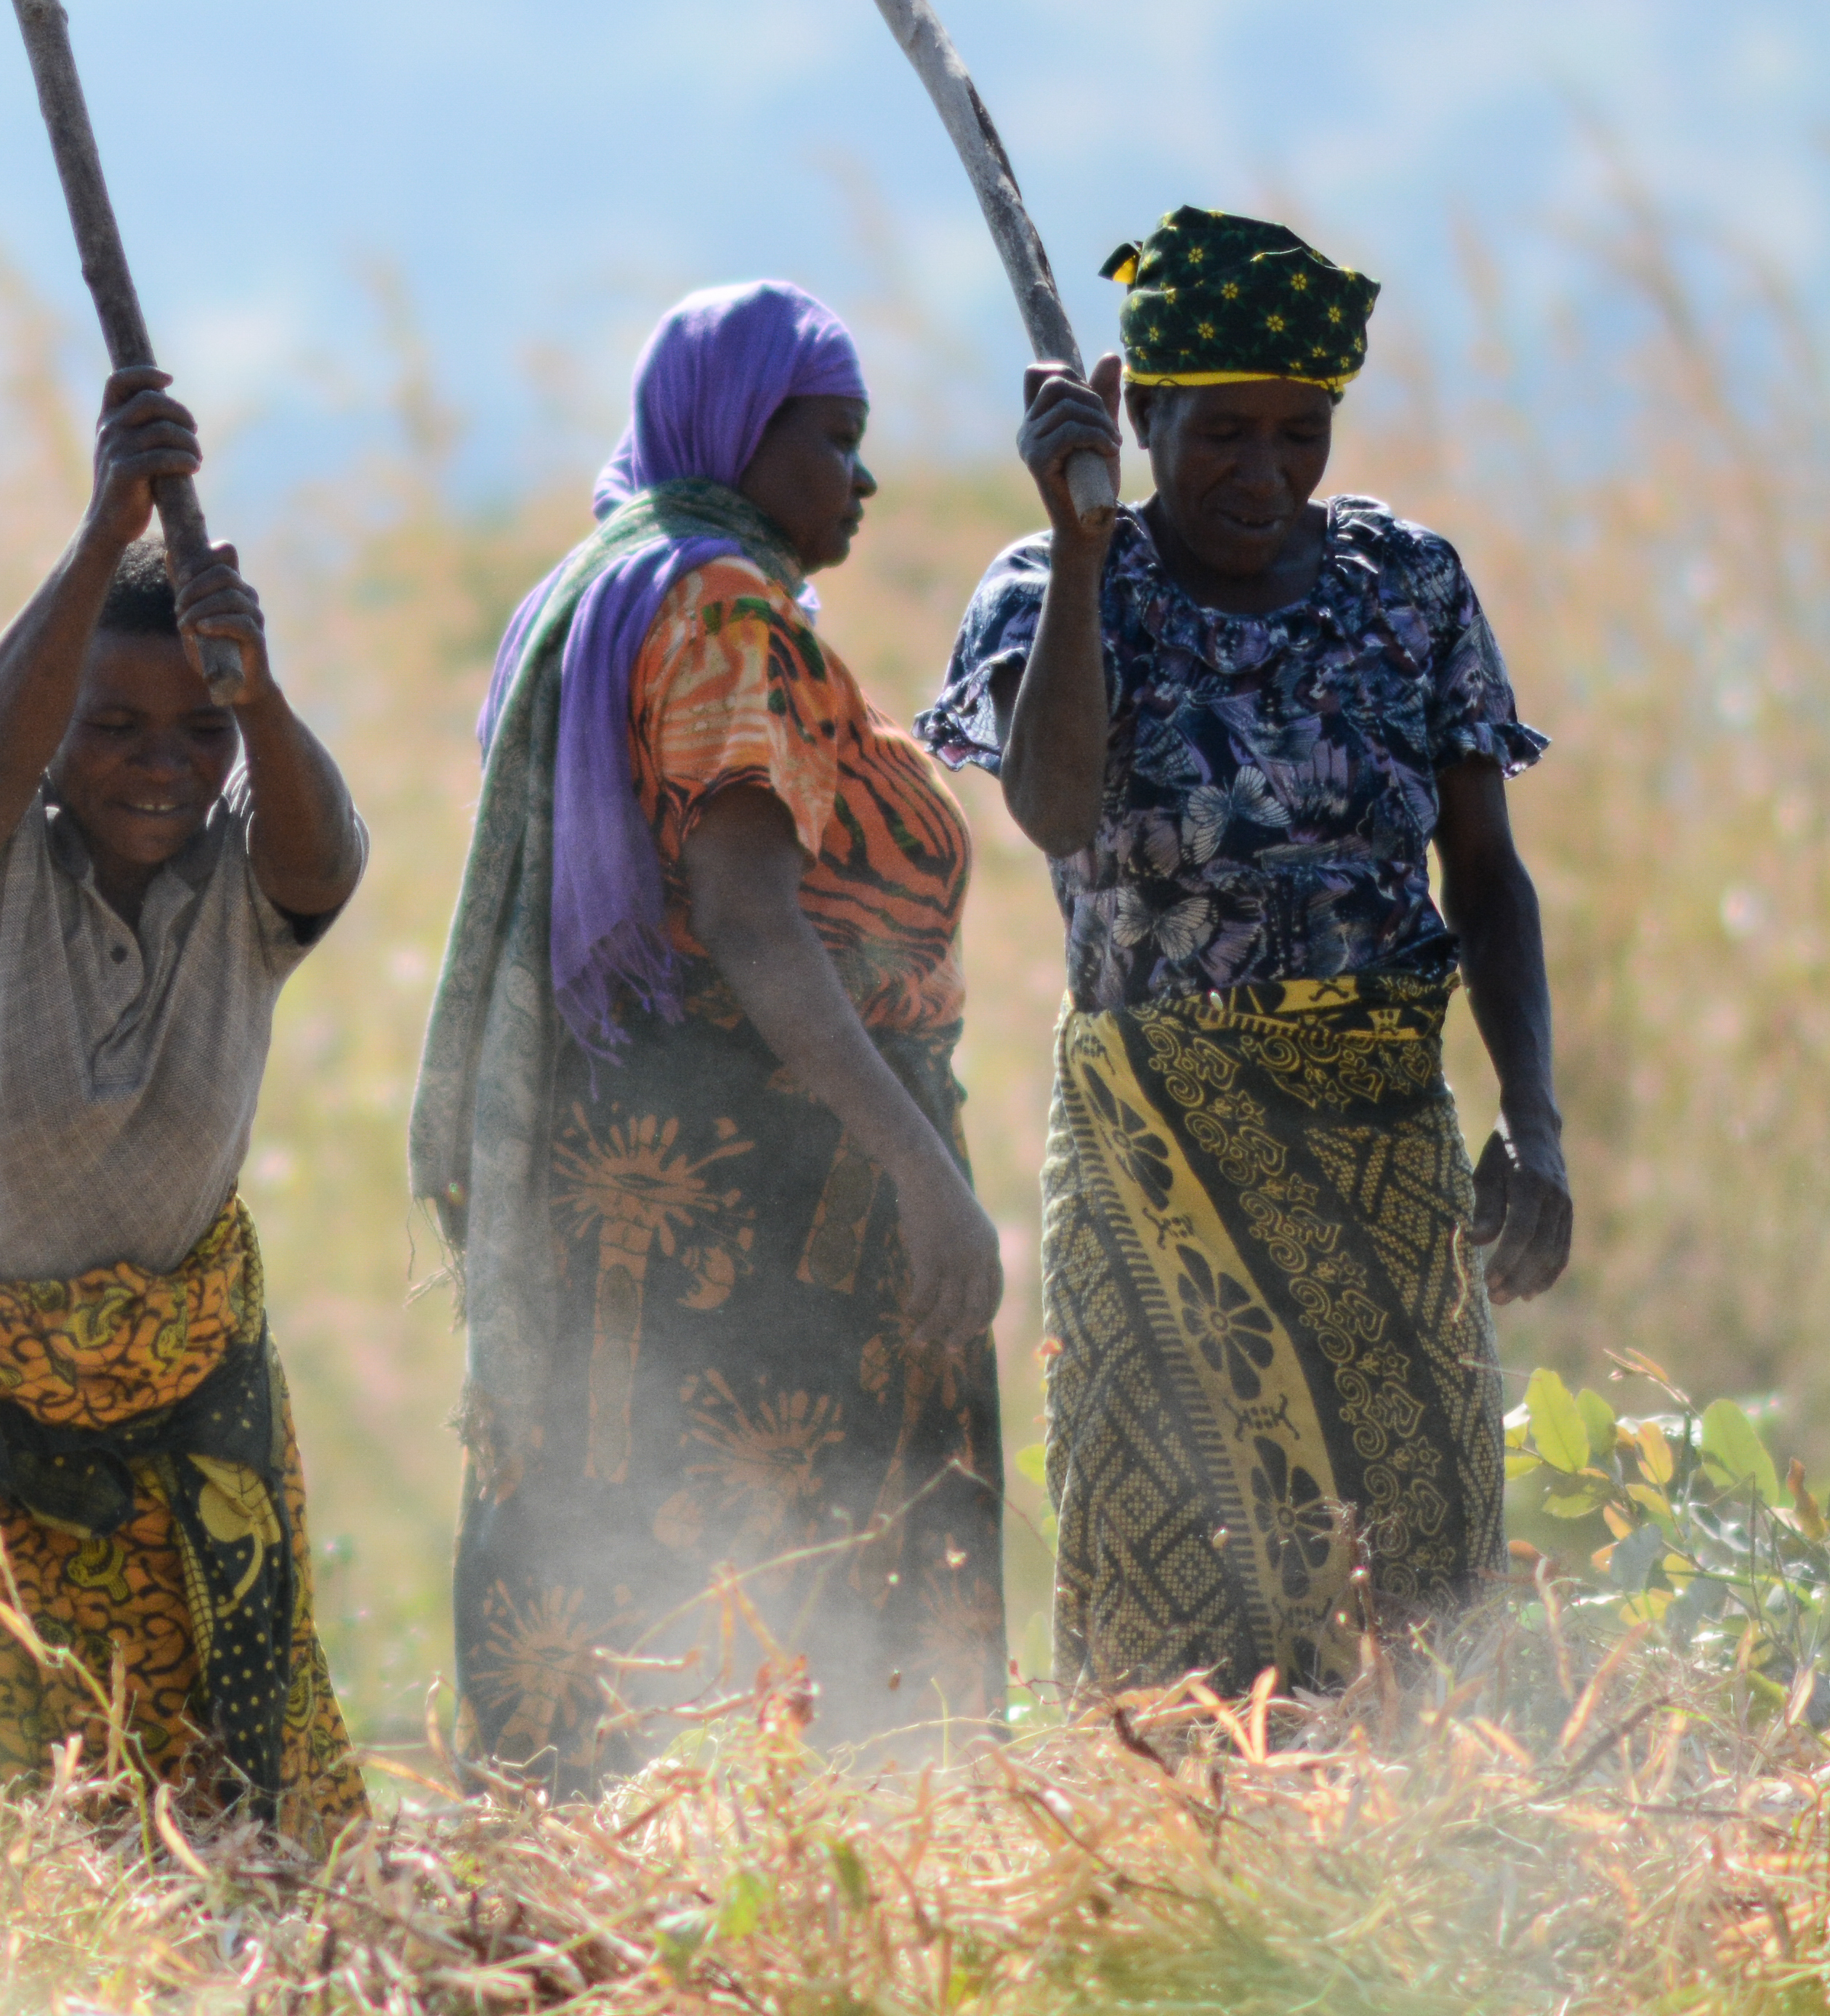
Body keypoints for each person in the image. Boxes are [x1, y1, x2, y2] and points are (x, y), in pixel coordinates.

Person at [923, 209, 1568, 1696]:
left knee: (1412, 1578)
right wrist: (1087, 560)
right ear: (1139, 418)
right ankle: (1179, 1895)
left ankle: (1395, 1897)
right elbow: (1055, 807)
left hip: (1382, 1144)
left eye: (1299, 434)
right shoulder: (1045, 590)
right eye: (1221, 434)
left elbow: (1484, 873)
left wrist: (1531, 1126)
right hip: (1160, 1159)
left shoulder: (1405, 586)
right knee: (1175, 1587)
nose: (1263, 476)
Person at [412, 281, 1002, 1792]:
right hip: (767, 1193)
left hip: (639, 1168)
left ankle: (616, 1886)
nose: (861, 482)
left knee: (639, 1528)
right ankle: (798, 1909)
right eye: (837, 441)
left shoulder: (602, 587)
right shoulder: (718, 604)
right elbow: (748, 917)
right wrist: (921, 1173)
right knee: (796, 1568)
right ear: (742, 435)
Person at [0, 370, 371, 1842]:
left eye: (200, 731)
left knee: (233, 1794)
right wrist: (105, 523)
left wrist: (262, 686)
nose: (161, 762)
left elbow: (328, 862)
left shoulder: (251, 877)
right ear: (58, 729)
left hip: (182, 1399)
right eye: (113, 722)